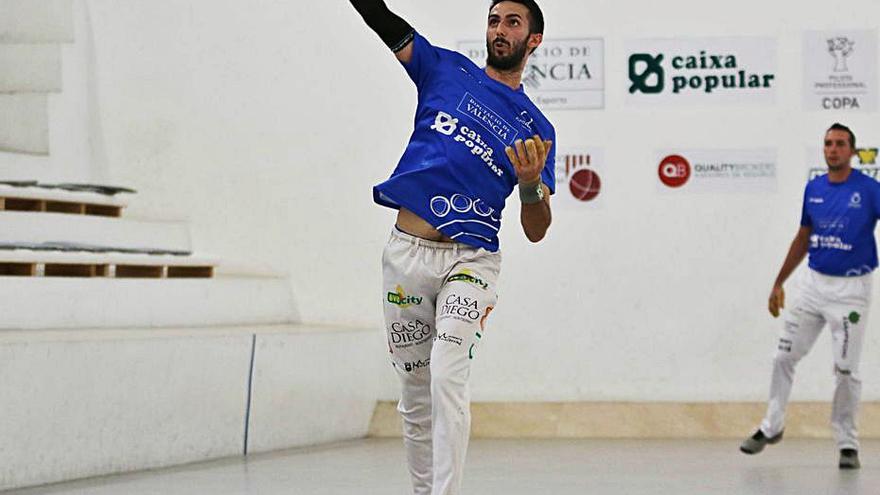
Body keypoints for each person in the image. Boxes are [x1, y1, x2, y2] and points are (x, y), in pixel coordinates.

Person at [349, 0, 556, 493]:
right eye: (493, 20)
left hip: (471, 259)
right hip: (406, 255)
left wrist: (529, 183)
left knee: (446, 377)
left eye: (513, 22)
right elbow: (385, 21)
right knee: (415, 397)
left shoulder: (536, 130)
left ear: (533, 40)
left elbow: (537, 226)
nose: (500, 30)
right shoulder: (443, 69)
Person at [740, 123, 880, 470]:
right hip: (813, 287)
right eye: (828, 144)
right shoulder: (813, 189)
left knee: (846, 370)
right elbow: (803, 237)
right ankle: (771, 426)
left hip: (851, 293)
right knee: (782, 357)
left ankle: (847, 444)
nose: (833, 149)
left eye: (840, 144)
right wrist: (779, 282)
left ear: (852, 150)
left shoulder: (870, 190)